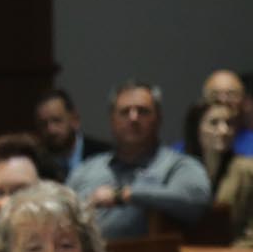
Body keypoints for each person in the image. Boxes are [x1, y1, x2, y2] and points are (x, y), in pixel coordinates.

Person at [65, 82, 213, 240]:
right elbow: (62, 215)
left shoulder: (177, 165)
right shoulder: (86, 170)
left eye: (143, 111)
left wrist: (125, 195)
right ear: (112, 120)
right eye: (124, 112)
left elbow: (196, 199)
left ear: (158, 118)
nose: (133, 118)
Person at [182, 98, 253, 246]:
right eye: (214, 123)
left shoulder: (249, 169)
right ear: (196, 129)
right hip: (196, 250)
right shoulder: (184, 170)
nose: (224, 131)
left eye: (229, 123)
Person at [34, 88, 111, 176]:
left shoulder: (103, 155)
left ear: (75, 120)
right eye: (43, 124)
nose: (51, 130)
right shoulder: (38, 163)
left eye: (57, 120)